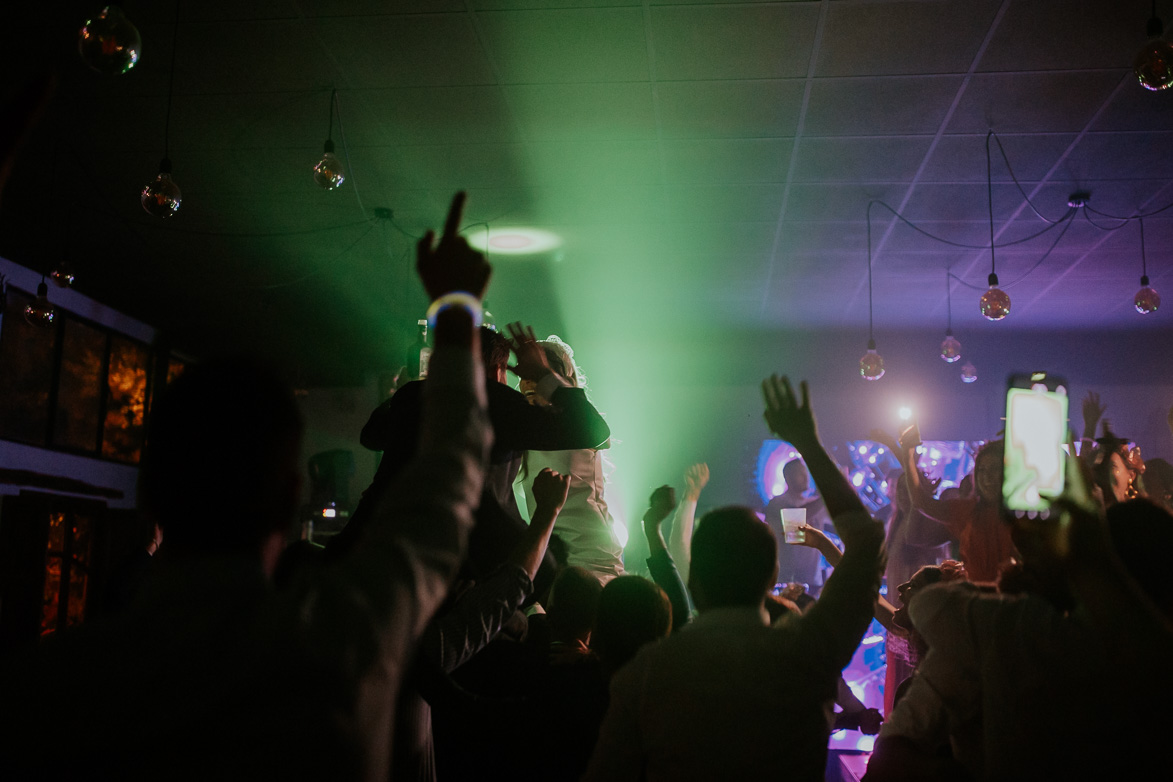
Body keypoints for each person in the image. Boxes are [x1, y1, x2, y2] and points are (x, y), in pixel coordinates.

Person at [0, 191, 494, 781]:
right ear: (288, 501)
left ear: (150, 498)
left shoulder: (49, 689)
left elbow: (447, 477)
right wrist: (457, 305)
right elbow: (447, 480)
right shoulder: (344, 636)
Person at [582, 376, 884, 782]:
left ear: (696, 582)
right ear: (772, 574)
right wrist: (807, 441)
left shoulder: (647, 674)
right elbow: (866, 544)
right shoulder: (808, 654)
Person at [519, 336, 624, 583]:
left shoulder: (575, 422)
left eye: (537, 373)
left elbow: (601, 435)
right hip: (547, 559)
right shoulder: (525, 422)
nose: (527, 381)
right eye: (525, 375)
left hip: (590, 556)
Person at [764, 458, 832, 592]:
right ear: (788, 478)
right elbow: (795, 526)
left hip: (812, 581)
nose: (806, 477)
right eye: (800, 474)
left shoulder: (815, 503)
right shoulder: (778, 503)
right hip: (787, 581)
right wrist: (825, 496)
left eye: (806, 473)